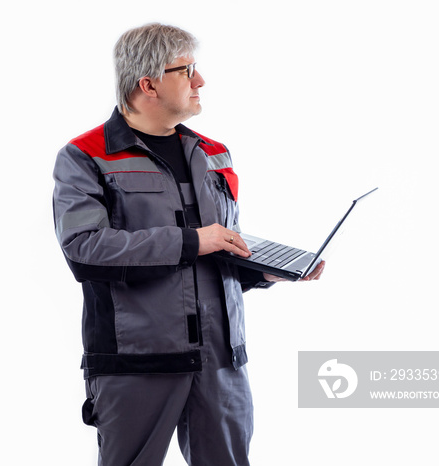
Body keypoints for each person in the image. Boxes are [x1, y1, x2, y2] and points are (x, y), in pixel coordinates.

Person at [52, 23, 325, 466]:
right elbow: (85, 249)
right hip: (138, 363)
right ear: (149, 83)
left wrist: (266, 270)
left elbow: (215, 252)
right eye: (188, 70)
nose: (200, 81)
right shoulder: (86, 156)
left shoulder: (215, 153)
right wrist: (191, 241)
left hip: (221, 363)